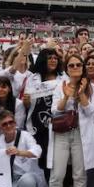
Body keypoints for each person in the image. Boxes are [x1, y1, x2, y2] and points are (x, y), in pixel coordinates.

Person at [47, 54, 94, 187]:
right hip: (62, 133)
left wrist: (80, 94)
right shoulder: (59, 85)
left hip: (80, 134)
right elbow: (56, 110)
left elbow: (91, 111)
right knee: (57, 173)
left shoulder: (90, 87)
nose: (75, 67)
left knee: (79, 173)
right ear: (66, 68)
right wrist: (66, 96)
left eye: (78, 64)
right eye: (71, 65)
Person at [23, 48, 63, 176]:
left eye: (55, 58)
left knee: (57, 160)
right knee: (41, 158)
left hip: (58, 124)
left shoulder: (63, 77)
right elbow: (28, 104)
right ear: (42, 60)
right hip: (38, 126)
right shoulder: (33, 78)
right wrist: (26, 101)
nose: (53, 60)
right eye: (50, 58)